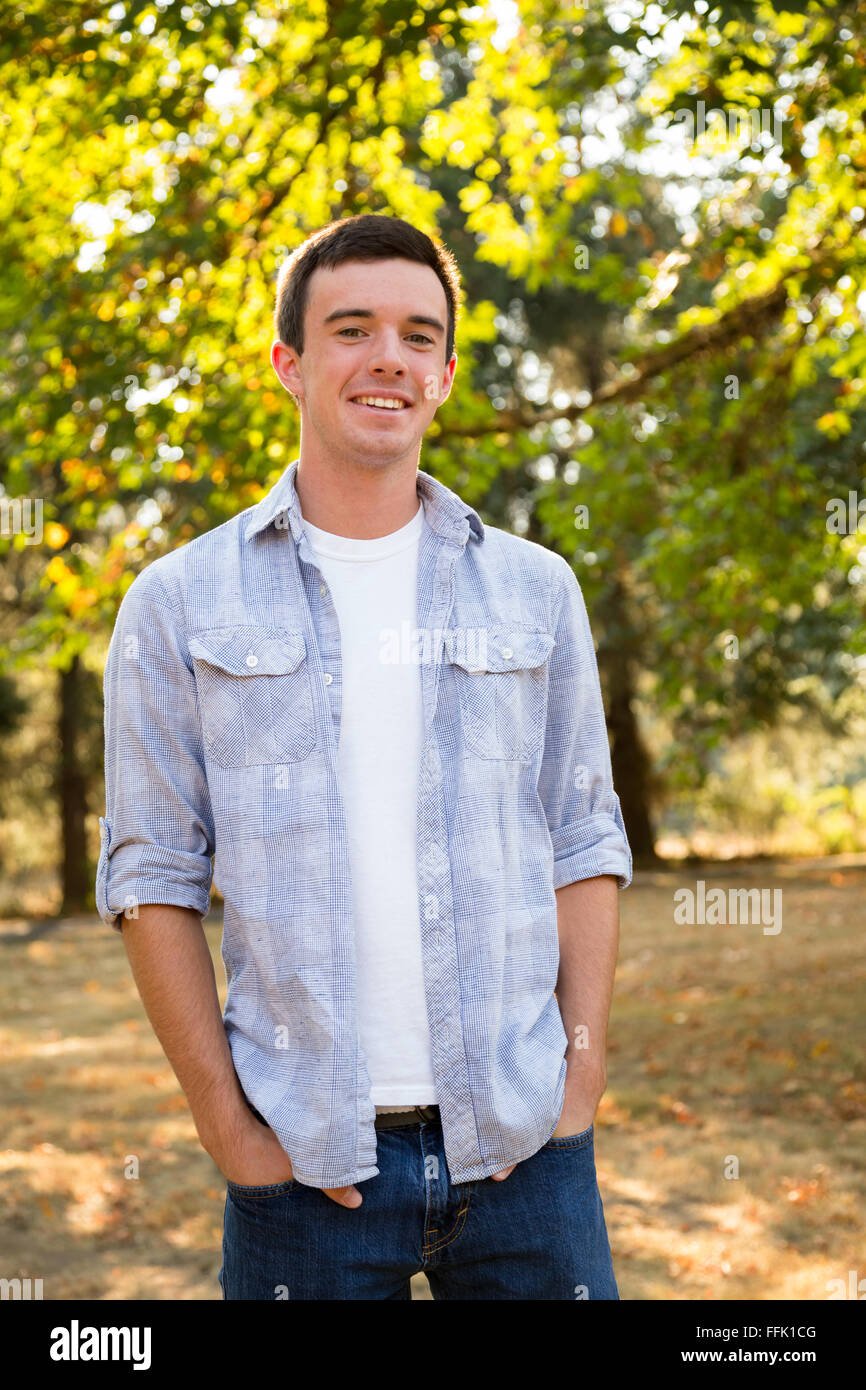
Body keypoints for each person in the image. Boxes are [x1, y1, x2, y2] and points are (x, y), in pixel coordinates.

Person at [96, 212, 632, 1300]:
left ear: (440, 376)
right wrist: (225, 1124)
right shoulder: (178, 602)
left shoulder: (535, 590)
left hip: (526, 1154)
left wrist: (577, 1078)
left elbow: (581, 838)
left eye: (418, 335)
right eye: (351, 328)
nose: (388, 355)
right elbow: (150, 876)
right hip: (303, 1170)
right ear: (288, 363)